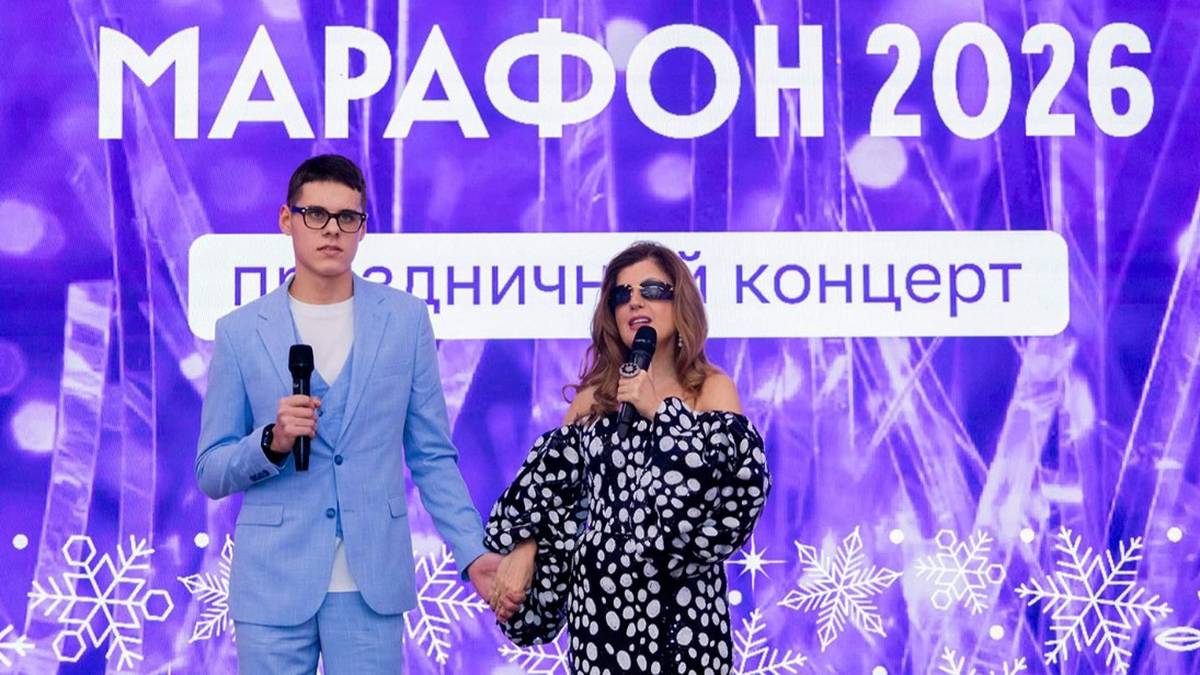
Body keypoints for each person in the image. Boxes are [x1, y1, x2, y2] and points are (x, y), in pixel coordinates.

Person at [195, 154, 501, 673]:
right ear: (287, 219)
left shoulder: (405, 320)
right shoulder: (241, 331)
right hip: (272, 583)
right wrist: (270, 443)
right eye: (316, 214)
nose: (332, 230)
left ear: (363, 227)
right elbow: (210, 470)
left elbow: (431, 456)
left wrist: (472, 551)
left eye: (347, 217)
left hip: (371, 582)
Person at [483, 241, 772, 674]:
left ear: (680, 302)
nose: (635, 301)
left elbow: (732, 492)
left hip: (681, 618)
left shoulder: (711, 389)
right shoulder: (592, 398)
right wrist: (526, 547)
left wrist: (659, 410)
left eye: (652, 290)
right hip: (599, 617)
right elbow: (552, 495)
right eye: (622, 294)